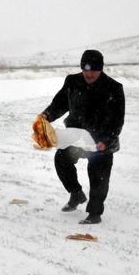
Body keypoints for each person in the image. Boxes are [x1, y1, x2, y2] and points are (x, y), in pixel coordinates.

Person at [39, 49, 125, 224]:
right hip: (76, 137)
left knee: (98, 174)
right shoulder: (73, 82)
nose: (89, 73)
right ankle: (76, 194)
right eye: (86, 69)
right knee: (62, 160)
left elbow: (117, 121)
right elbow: (59, 104)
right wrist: (46, 116)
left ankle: (95, 213)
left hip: (101, 140)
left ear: (101, 69)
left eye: (93, 70)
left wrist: (106, 141)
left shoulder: (114, 88)